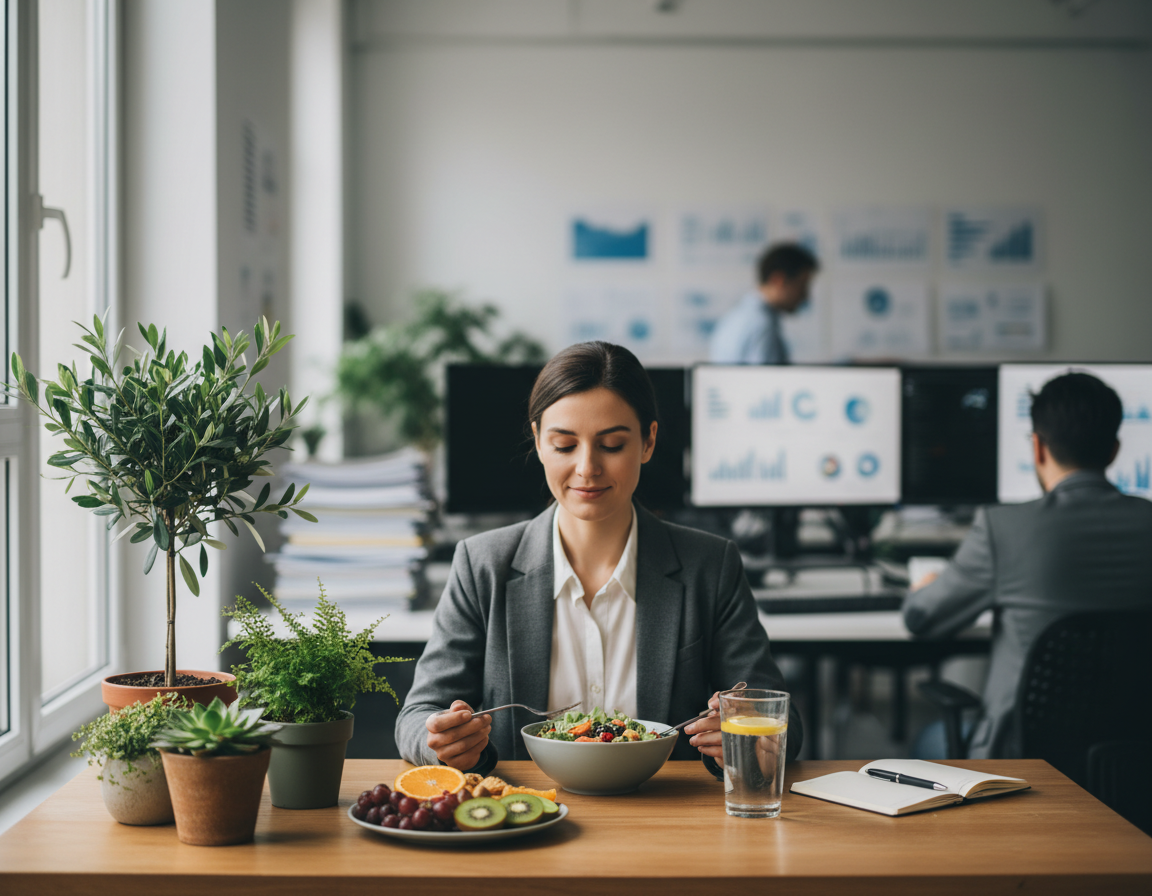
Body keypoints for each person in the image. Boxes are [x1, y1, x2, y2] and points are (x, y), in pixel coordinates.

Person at [395, 341, 802, 775]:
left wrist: (749, 739)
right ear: (538, 442)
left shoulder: (711, 565)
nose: (587, 468)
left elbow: (782, 723)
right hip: (528, 808)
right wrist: (443, 740)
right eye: (564, 445)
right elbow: (418, 716)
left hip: (669, 810)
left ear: (648, 442)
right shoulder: (481, 565)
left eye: (611, 445)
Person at [903, 371, 1152, 758]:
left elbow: (921, 619)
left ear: (1038, 447)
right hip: (1131, 760)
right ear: (1114, 450)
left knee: (927, 741)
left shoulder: (1004, 528)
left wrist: (925, 587)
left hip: (1022, 761)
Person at [708, 241, 819, 365]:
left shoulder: (735, 316)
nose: (805, 296)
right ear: (778, 280)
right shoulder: (763, 326)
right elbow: (767, 377)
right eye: (802, 285)